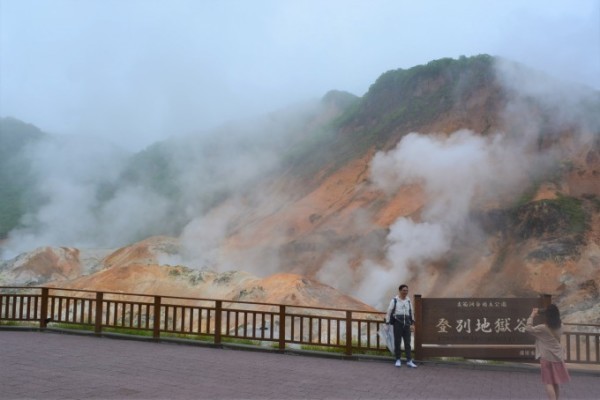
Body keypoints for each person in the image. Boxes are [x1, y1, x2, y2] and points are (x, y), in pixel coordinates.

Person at [525, 305, 570, 400]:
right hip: (558, 357)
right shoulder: (561, 326)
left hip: (547, 358)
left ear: (547, 316)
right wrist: (543, 311)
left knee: (548, 382)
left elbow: (528, 329)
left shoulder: (543, 328)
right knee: (556, 382)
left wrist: (532, 315)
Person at [386, 284, 417, 368]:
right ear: (399, 291)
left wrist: (412, 323)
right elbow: (389, 311)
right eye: (403, 290)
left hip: (406, 323)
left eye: (406, 290)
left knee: (408, 342)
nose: (405, 292)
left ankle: (409, 360)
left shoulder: (408, 301)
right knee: (397, 342)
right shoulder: (394, 300)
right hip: (397, 323)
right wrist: (387, 322)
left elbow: (411, 312)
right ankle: (398, 359)